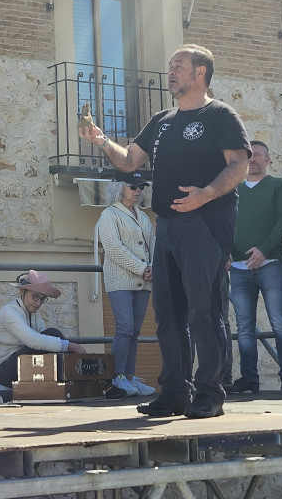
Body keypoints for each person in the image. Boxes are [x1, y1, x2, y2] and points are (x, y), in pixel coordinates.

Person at [78, 44, 250, 419]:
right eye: (170, 66)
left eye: (178, 66)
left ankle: (209, 394)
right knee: (169, 315)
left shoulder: (220, 115)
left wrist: (205, 195)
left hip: (206, 224)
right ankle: (174, 393)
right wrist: (100, 140)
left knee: (205, 312)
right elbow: (129, 161)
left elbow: (239, 165)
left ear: (200, 72)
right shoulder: (162, 120)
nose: (170, 73)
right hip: (168, 226)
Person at [226, 140, 282, 394]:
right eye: (249, 156)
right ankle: (249, 379)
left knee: (280, 323)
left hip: (271, 265)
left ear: (268, 160)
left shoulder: (279, 186)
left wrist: (263, 249)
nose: (253, 160)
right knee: (243, 327)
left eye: (258, 156)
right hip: (238, 267)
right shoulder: (232, 189)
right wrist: (225, 252)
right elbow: (225, 222)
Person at [97, 171, 156, 399]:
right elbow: (113, 248)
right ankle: (118, 377)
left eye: (141, 186)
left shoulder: (143, 217)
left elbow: (153, 245)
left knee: (135, 331)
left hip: (144, 280)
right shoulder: (109, 215)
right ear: (120, 187)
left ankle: (130, 377)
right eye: (133, 186)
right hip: (120, 280)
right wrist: (143, 268)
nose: (138, 190)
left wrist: (153, 266)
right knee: (125, 327)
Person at [0, 270, 87, 388]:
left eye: (42, 299)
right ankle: (78, 376)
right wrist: (71, 346)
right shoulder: (9, 312)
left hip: (19, 363)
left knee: (52, 336)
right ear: (22, 291)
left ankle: (77, 376)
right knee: (53, 334)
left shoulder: (34, 315)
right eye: (35, 296)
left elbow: (44, 339)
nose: (38, 303)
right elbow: (33, 340)